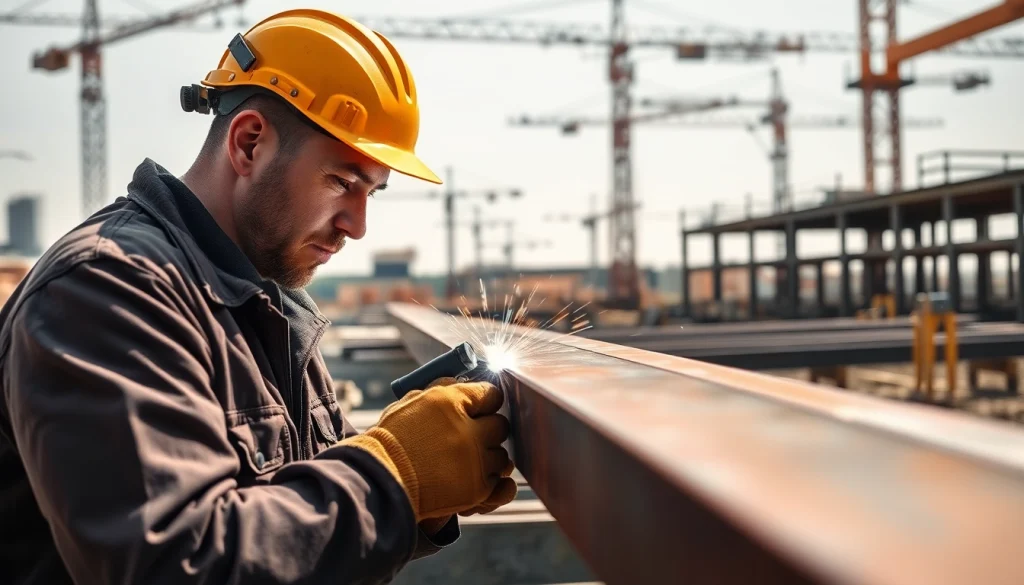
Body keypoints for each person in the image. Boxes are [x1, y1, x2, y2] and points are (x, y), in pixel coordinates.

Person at [0, 8, 516, 585]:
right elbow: (174, 565)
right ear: (249, 144)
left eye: (371, 192)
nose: (357, 225)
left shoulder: (269, 305)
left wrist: (424, 495)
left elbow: (287, 511)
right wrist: (397, 473)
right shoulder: (110, 290)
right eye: (342, 182)